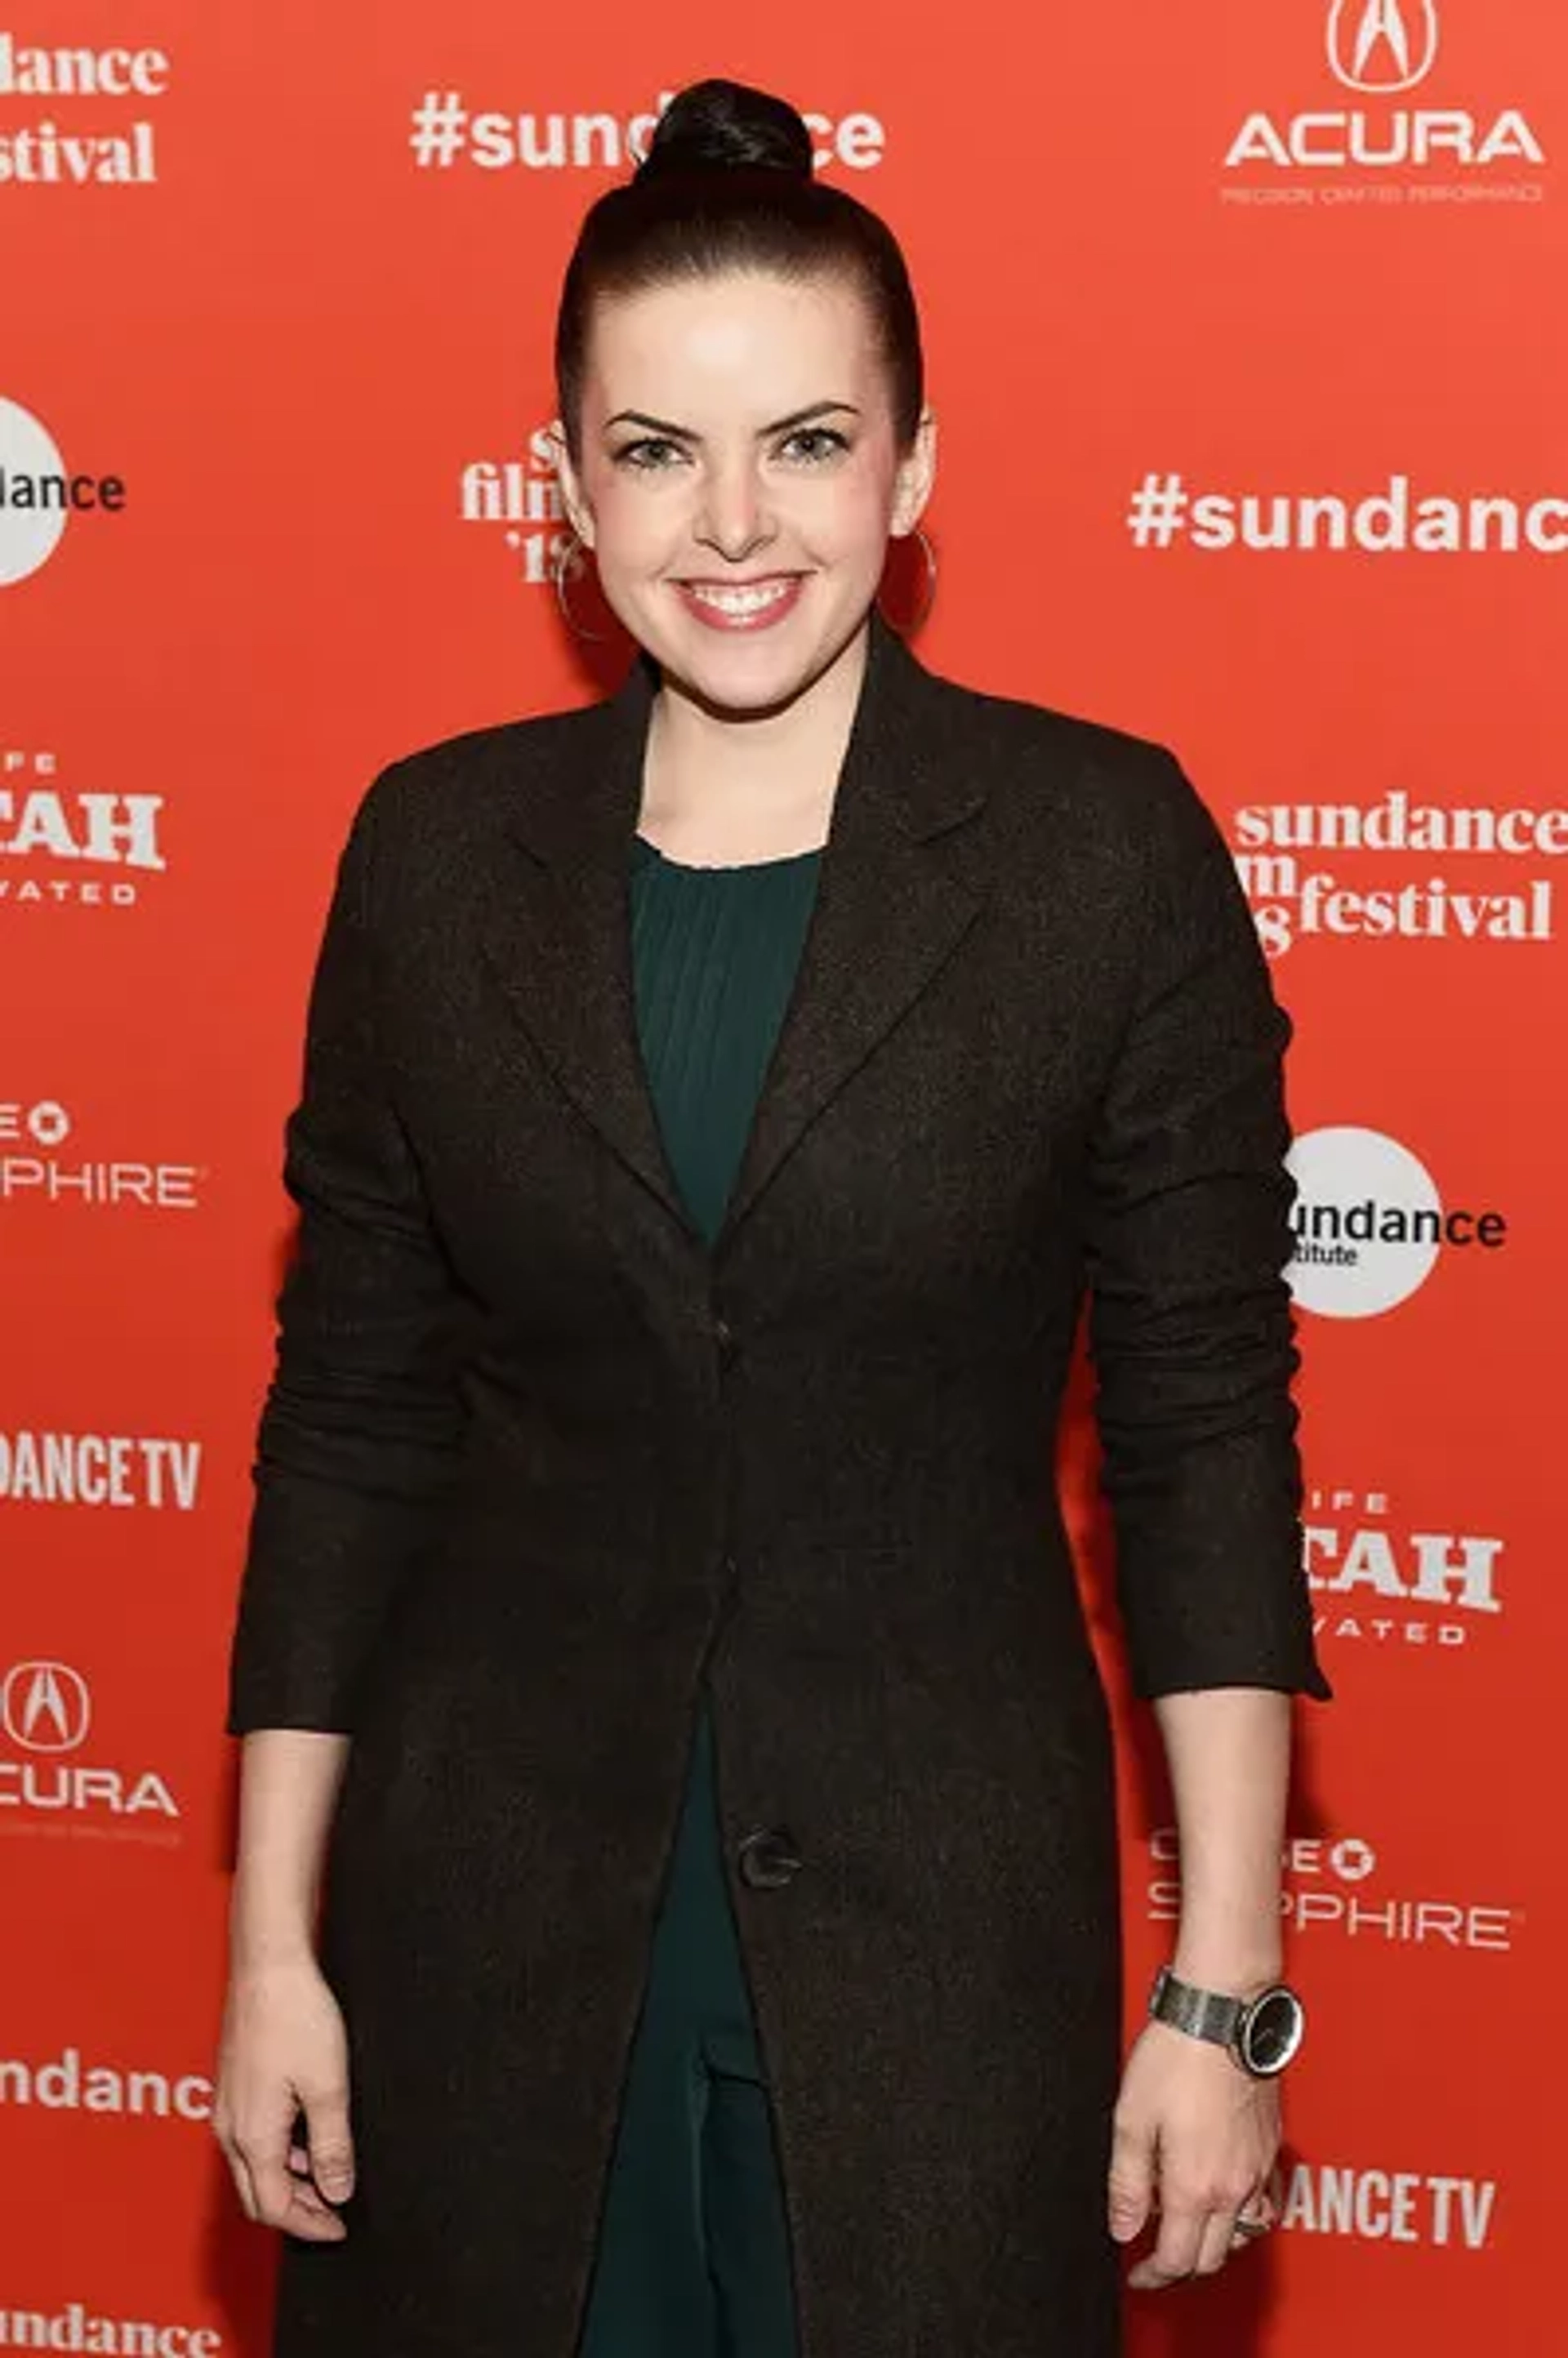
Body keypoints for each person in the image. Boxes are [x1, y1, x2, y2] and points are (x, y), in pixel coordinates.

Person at [213, 74, 1330, 2358]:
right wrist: (269, 1947)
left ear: (914, 468)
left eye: (809, 442)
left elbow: (1205, 1435)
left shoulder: (1098, 859)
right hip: (485, 1942)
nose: (736, 520)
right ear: (564, 486)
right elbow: (348, 1423)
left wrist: (1223, 1987)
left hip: (936, 1959)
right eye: (656, 449)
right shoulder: (435, 858)